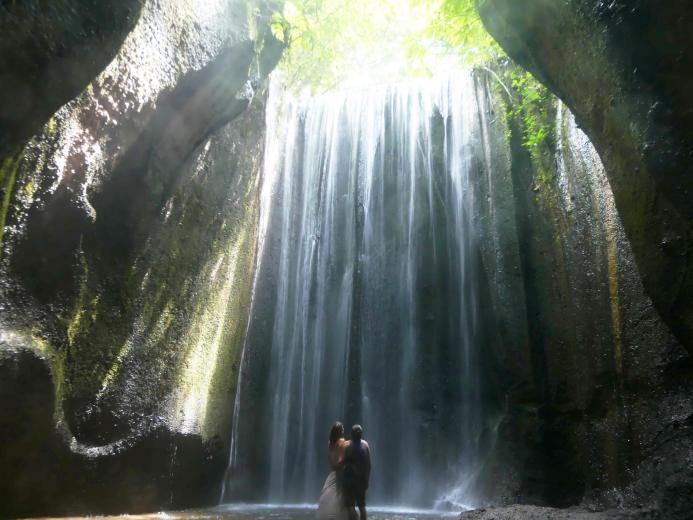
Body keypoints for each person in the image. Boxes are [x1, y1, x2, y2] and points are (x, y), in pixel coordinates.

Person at [317, 422, 353, 520]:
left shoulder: (330, 443)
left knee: (329, 497)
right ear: (340, 431)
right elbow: (341, 459)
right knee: (343, 499)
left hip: (332, 473)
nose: (344, 430)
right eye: (342, 429)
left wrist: (333, 466)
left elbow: (330, 458)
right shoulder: (342, 442)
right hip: (340, 473)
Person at [342, 424, 371, 520]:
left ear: (351, 434)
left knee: (350, 506)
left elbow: (343, 462)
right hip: (361, 480)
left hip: (349, 480)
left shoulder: (347, 446)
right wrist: (366, 479)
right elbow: (369, 465)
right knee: (362, 506)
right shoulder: (366, 445)